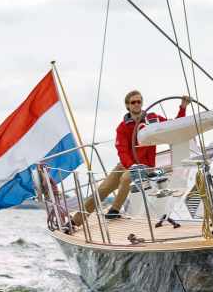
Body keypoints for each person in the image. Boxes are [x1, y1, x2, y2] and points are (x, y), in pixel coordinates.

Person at [73, 91, 188, 224]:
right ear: (127, 106)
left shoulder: (153, 119)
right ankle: (75, 221)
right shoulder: (122, 128)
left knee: (127, 178)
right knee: (102, 189)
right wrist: (131, 165)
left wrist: (183, 107)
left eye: (139, 101)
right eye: (133, 102)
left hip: (146, 166)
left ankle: (114, 210)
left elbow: (174, 126)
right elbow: (122, 151)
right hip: (126, 164)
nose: (137, 104)